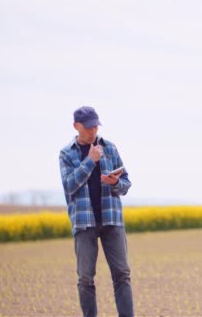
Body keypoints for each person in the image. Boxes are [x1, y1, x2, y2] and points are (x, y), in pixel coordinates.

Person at [59, 106, 134, 317]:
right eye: (89, 127)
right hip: (84, 224)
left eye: (96, 126)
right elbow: (69, 186)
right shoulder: (66, 154)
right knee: (85, 278)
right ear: (76, 126)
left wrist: (115, 182)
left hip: (112, 221)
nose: (93, 131)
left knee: (122, 274)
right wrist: (89, 161)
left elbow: (126, 184)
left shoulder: (109, 147)